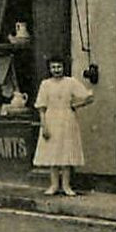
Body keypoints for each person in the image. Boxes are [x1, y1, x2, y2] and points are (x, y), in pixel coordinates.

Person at [33, 55, 93, 196]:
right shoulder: (45, 84)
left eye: (59, 67)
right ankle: (54, 185)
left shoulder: (70, 82)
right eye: (53, 67)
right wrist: (44, 126)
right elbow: (41, 107)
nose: (56, 70)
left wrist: (76, 104)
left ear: (63, 67)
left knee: (66, 153)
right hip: (51, 119)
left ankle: (66, 186)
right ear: (49, 69)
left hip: (67, 119)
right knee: (53, 154)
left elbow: (89, 96)